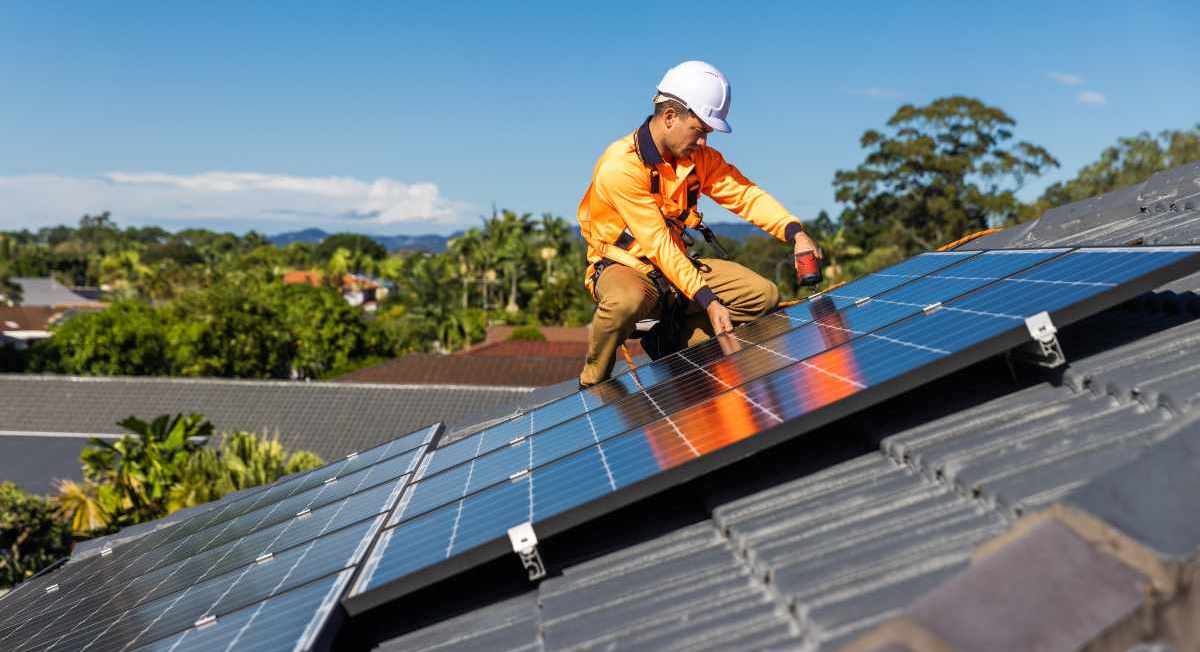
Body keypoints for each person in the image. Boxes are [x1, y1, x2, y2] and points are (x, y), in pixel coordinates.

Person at [577, 60, 822, 387]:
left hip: (676, 269)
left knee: (762, 296)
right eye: (701, 130)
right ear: (669, 117)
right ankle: (593, 384)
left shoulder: (697, 160)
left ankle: (672, 342)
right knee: (625, 302)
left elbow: (745, 195)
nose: (705, 142)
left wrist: (796, 233)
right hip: (626, 268)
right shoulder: (620, 166)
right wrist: (708, 300)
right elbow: (658, 245)